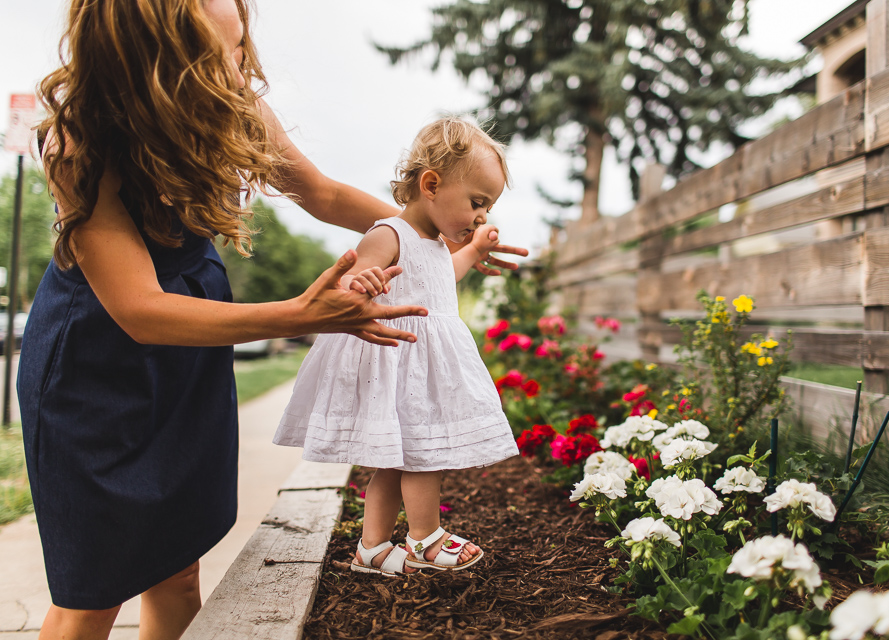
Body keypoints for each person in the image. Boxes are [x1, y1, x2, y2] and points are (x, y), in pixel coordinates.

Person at [17, 1, 526, 638]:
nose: (240, 71)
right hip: (98, 365)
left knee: (175, 569)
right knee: (93, 591)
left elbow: (322, 193)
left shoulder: (232, 105)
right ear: (153, 61)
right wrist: (299, 314)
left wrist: (428, 241)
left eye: (241, 46)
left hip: (194, 345)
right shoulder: (81, 141)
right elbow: (140, 311)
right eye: (220, 55)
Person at [273, 117, 520, 576]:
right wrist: (359, 279)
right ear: (431, 184)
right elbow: (354, 275)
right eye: (477, 203)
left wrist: (476, 249)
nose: (483, 215)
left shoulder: (435, 245)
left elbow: (444, 273)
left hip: (423, 369)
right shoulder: (389, 233)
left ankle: (371, 549)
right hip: (402, 364)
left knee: (393, 462)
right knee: (425, 457)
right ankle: (425, 539)